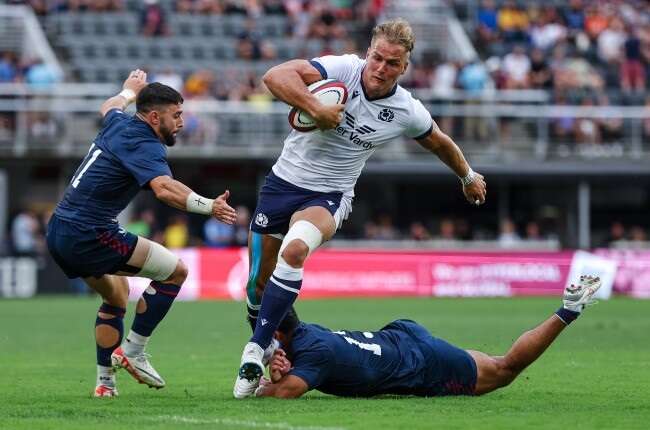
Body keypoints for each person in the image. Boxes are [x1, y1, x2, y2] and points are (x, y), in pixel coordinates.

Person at [234, 18, 487, 398]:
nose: (381, 69)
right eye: (377, 58)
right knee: (257, 283)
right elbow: (274, 76)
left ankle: (255, 348)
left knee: (296, 249)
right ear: (368, 52)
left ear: (405, 67)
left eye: (392, 64)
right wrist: (313, 107)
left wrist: (467, 176)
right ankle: (273, 347)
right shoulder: (342, 69)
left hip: (330, 195)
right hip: (282, 184)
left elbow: (438, 142)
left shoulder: (406, 110)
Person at [46, 70, 236, 398]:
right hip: (89, 233)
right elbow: (164, 189)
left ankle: (105, 384)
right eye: (175, 115)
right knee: (176, 272)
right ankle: (133, 351)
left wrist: (127, 90)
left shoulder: (119, 122)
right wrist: (209, 206)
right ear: (153, 117)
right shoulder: (145, 143)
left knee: (116, 295)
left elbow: (109, 106)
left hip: (60, 229)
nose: (181, 122)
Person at [255, 275, 602, 399]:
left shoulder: (311, 354)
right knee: (482, 363)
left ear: (277, 332)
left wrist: (262, 385)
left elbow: (283, 393)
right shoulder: (306, 335)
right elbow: (300, 363)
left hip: (420, 362)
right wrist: (280, 363)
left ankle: (569, 309)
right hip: (401, 336)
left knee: (505, 371)